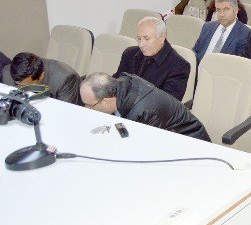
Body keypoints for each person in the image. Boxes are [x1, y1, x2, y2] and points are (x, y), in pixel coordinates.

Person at [80, 72, 211, 141]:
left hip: (191, 143)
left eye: (90, 105)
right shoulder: (120, 87)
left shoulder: (143, 112)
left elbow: (144, 149)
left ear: (107, 101)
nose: (87, 109)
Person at [114, 17, 190, 101]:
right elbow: (117, 82)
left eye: (147, 39)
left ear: (162, 38)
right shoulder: (129, 53)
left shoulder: (179, 66)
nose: (141, 44)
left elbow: (167, 106)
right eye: (139, 38)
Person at [193, 0, 250, 64]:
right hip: (199, 70)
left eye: (226, 10)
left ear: (236, 10)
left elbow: (239, 64)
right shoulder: (207, 27)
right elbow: (194, 52)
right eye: (218, 10)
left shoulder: (246, 34)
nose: (221, 14)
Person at [2, 52, 80, 105]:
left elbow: (64, 112)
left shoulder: (65, 79)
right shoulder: (7, 73)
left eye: (25, 86)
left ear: (41, 76)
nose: (20, 89)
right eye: (17, 84)